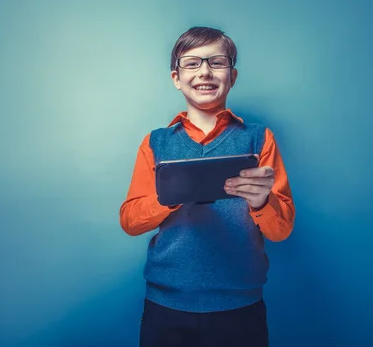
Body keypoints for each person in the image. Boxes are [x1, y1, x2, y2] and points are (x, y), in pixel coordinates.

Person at [119, 26, 295, 347]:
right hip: (166, 306)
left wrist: (261, 203)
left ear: (233, 75)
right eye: (192, 63)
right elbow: (130, 221)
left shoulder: (259, 139)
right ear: (176, 77)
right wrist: (171, 195)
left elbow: (281, 229)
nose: (204, 71)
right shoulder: (155, 143)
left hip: (241, 307)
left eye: (216, 62)